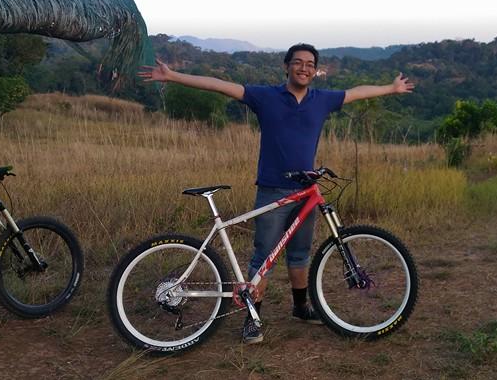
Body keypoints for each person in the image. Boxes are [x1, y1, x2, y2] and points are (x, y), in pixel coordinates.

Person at [138, 42, 414, 344]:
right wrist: (173, 76)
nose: (304, 68)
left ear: (315, 70)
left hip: (305, 191)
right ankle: (252, 317)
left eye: (310, 64)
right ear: (287, 66)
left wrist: (391, 88)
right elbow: (220, 86)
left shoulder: (321, 100)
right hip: (272, 190)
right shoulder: (266, 96)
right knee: (264, 257)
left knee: (300, 254)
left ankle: (300, 308)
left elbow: (357, 92)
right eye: (298, 62)